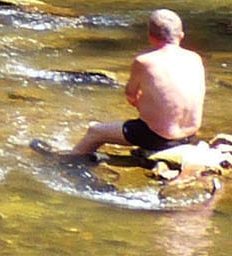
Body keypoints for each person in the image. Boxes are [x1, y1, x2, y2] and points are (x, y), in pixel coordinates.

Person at [66, 9, 206, 158]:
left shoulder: (144, 62)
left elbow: (131, 95)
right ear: (181, 35)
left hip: (158, 136)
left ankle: (67, 162)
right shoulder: (195, 58)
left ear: (150, 37)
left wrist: (143, 104)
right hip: (189, 135)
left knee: (95, 131)